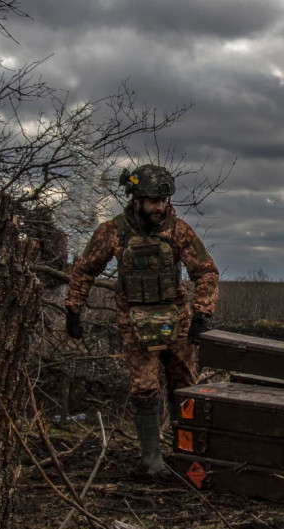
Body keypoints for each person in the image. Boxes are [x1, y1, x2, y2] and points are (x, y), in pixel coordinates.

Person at [64, 164, 219, 475]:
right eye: (152, 201)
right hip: (134, 323)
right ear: (136, 199)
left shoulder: (178, 230)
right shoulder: (114, 231)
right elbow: (84, 269)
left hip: (177, 322)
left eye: (163, 201)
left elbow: (205, 271)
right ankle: (152, 461)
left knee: (185, 388)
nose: (159, 207)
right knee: (144, 390)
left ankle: (187, 456)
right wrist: (73, 308)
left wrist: (203, 312)